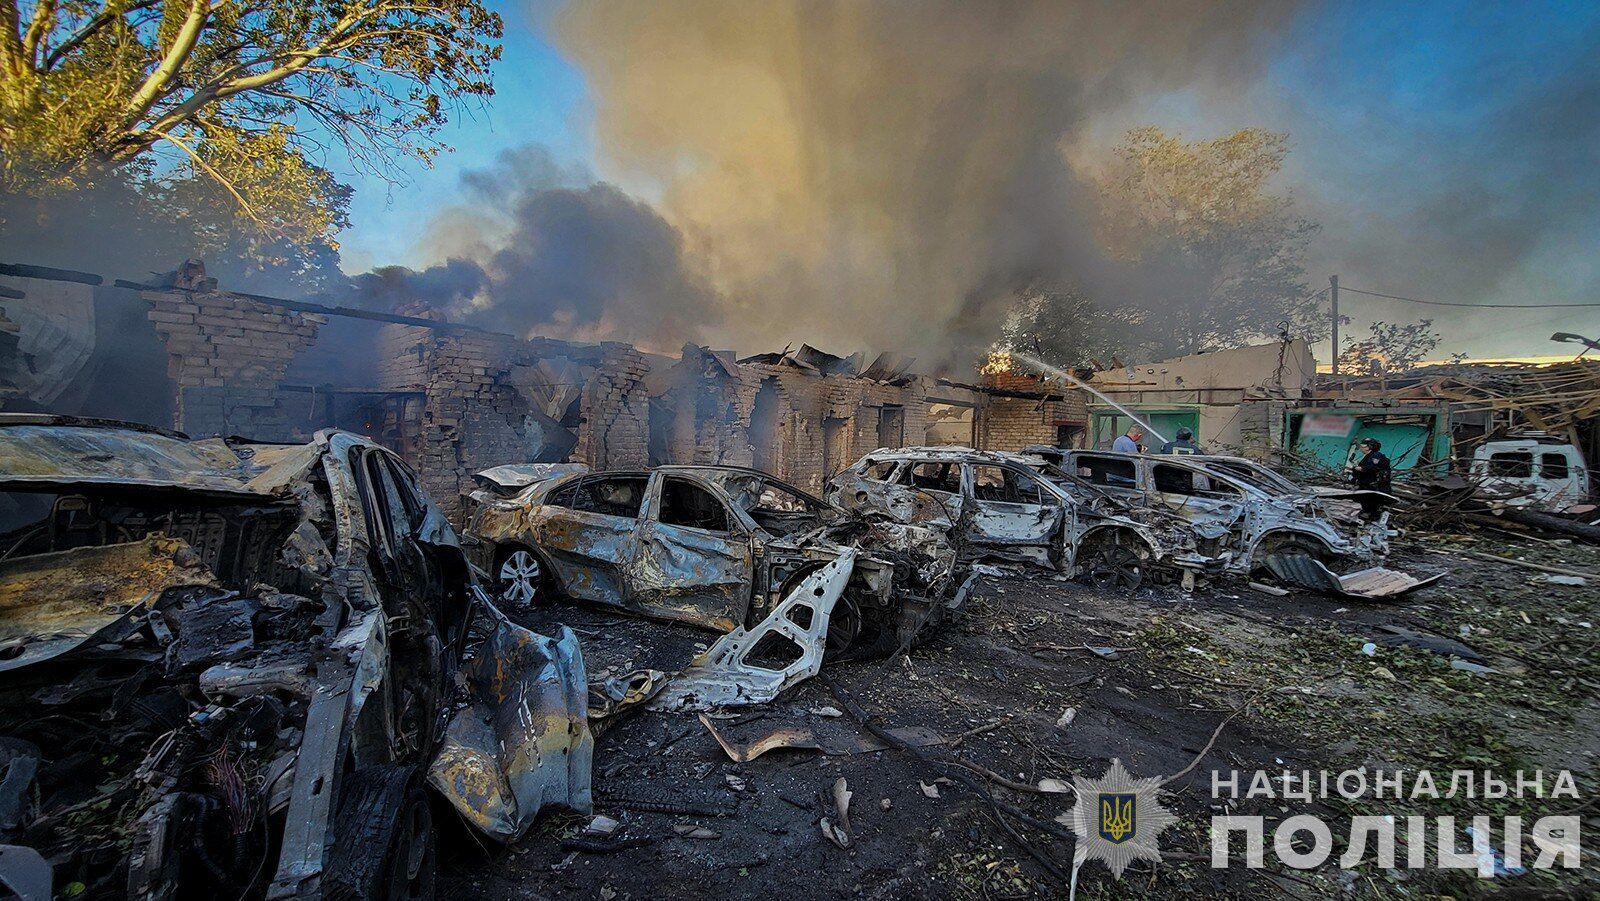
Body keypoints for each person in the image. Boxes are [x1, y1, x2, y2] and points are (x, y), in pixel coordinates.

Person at [1349, 437, 1392, 520]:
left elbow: (1371, 468)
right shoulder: (1368, 456)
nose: (1362, 448)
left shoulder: (1376, 456)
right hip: (1368, 487)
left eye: (1364, 445)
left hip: (1375, 488)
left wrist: (1360, 468)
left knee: (1372, 509)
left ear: (1369, 447)